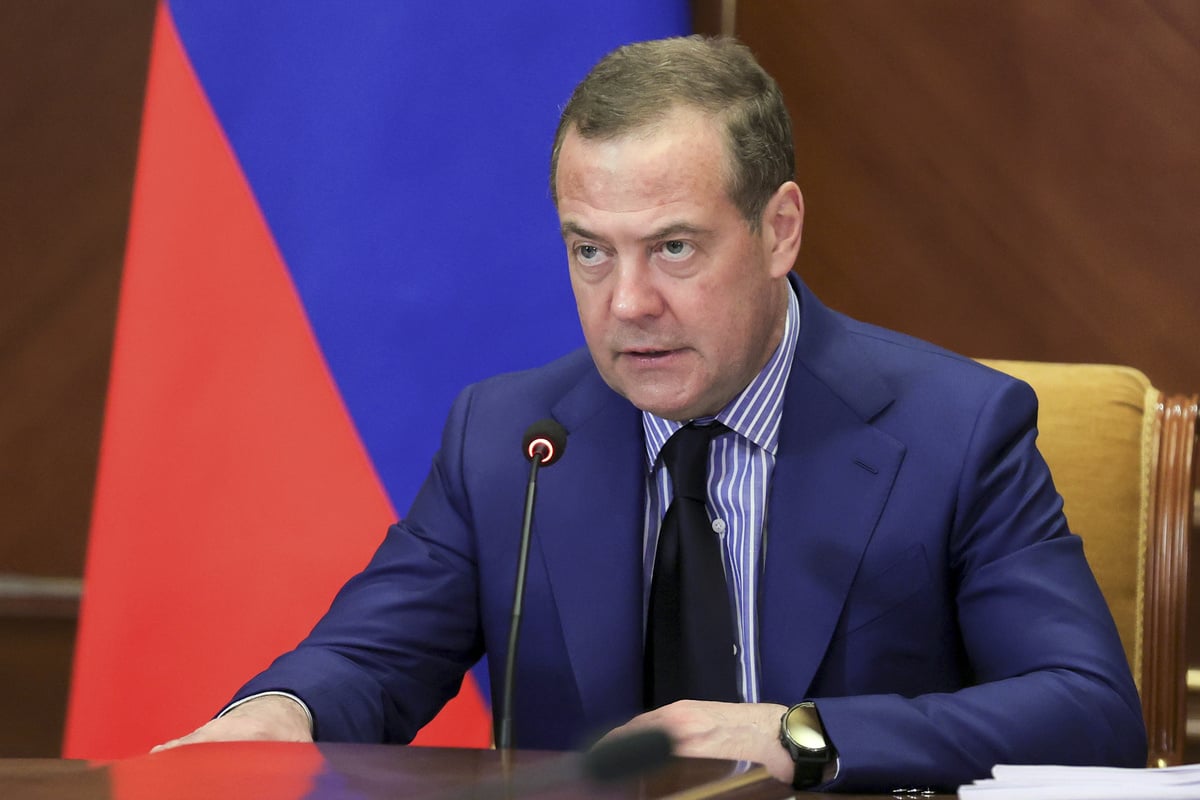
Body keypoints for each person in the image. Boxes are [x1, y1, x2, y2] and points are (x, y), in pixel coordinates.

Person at [154, 36, 1146, 791]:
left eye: (674, 248)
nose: (627, 303)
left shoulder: (953, 431)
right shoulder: (512, 441)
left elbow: (1090, 713)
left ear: (779, 230)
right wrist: (278, 712)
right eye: (591, 250)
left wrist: (798, 734)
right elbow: (368, 655)